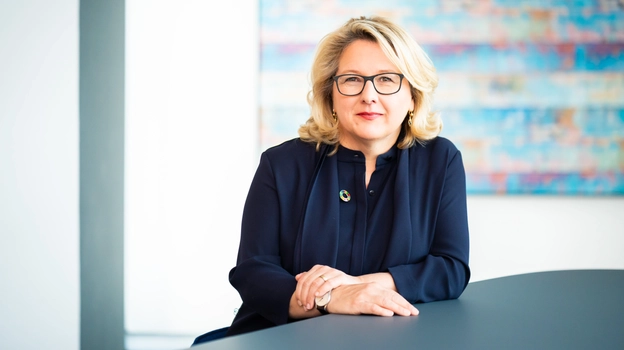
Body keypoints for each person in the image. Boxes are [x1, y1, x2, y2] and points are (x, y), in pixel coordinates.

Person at [193, 15, 470, 345]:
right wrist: (330, 301)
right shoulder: (280, 164)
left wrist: (356, 287)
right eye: (353, 80)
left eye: (387, 79)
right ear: (331, 95)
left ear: (412, 96)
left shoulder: (441, 160)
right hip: (282, 340)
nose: (369, 95)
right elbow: (253, 272)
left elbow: (451, 269)